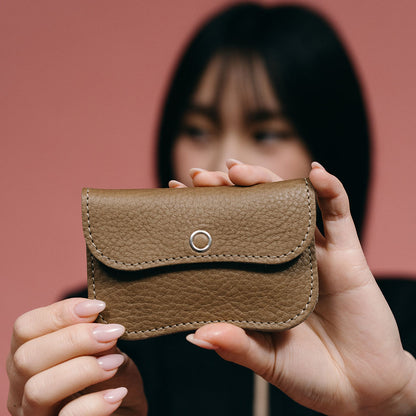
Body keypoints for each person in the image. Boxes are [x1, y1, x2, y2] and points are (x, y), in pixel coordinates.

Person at [6, 3, 416, 416]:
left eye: (266, 133)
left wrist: (395, 398)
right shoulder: (105, 330)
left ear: (330, 147)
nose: (224, 160)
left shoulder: (404, 319)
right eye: (198, 130)